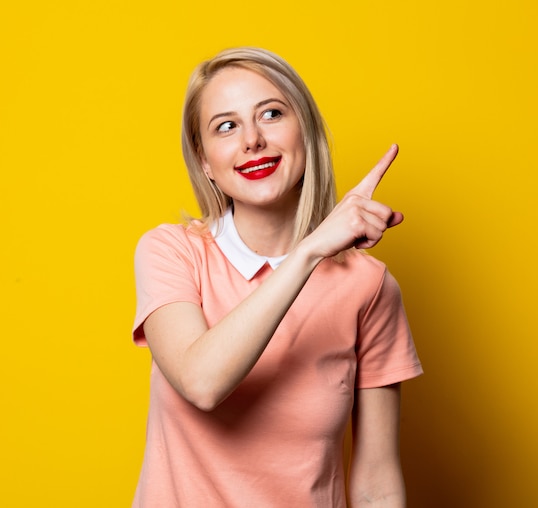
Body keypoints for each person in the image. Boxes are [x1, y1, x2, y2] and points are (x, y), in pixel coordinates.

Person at [132, 47, 422, 508]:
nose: (252, 140)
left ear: (304, 133)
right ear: (205, 161)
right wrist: (309, 252)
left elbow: (377, 483)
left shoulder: (369, 287)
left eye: (270, 114)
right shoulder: (171, 252)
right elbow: (201, 382)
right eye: (225, 126)